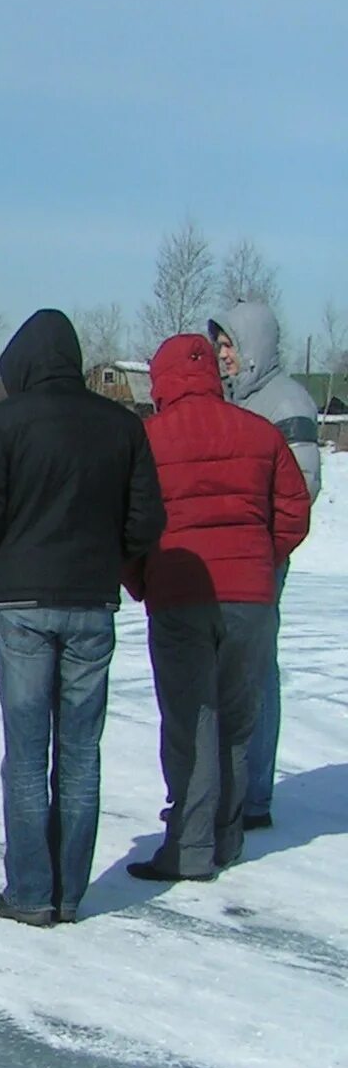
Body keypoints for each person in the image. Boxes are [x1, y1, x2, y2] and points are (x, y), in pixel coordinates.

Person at [0, 309, 165, 926]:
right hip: (93, 605)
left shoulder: (4, 423)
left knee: (26, 754)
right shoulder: (122, 426)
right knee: (80, 752)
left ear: (21, 364)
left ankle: (30, 894)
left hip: (21, 606)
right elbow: (147, 520)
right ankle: (69, 894)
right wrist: (105, 560)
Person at [123, 333, 310, 881]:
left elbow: (124, 525)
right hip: (251, 599)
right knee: (235, 720)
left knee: (190, 721)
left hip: (180, 594)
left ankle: (190, 847)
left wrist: (143, 580)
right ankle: (227, 838)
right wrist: (258, 560)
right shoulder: (259, 434)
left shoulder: (146, 441)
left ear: (162, 380)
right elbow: (294, 512)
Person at [207, 300, 322, 829]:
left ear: (253, 346)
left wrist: (265, 552)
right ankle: (221, 787)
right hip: (225, 558)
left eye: (230, 345)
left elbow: (304, 486)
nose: (223, 355)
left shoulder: (286, 400)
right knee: (221, 671)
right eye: (220, 346)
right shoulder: (230, 399)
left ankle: (254, 795)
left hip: (260, 560)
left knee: (255, 671)